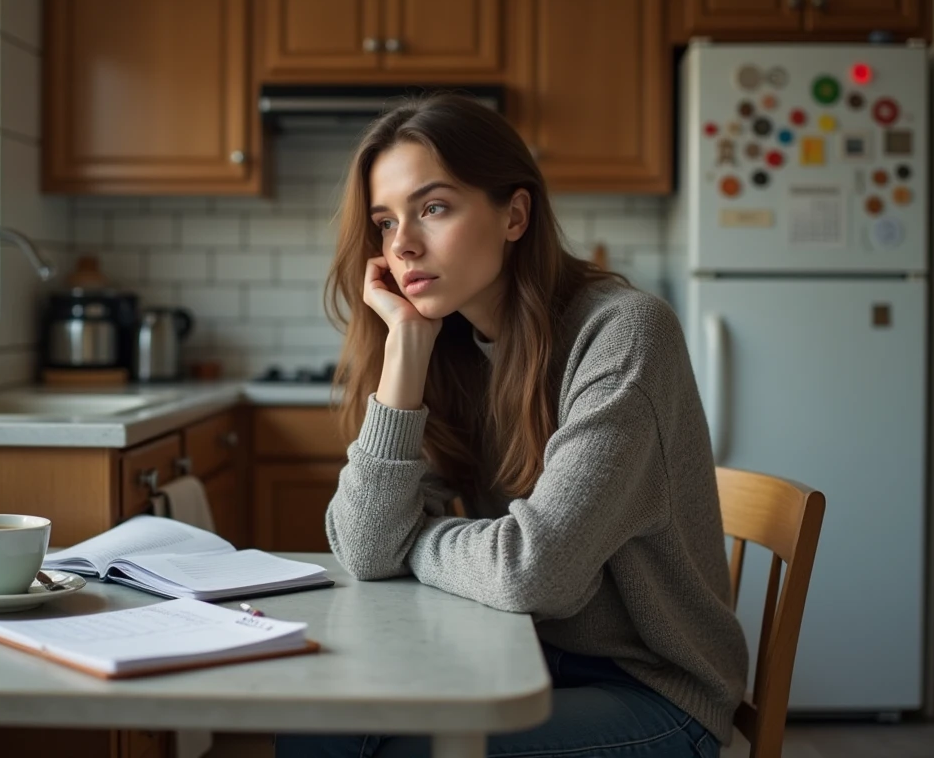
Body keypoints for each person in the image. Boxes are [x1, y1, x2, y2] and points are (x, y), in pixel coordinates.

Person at [274, 94, 749, 758]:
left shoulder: (625, 334)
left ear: (515, 215)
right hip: (521, 649)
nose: (402, 244)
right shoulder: (455, 344)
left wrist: (418, 540)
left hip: (653, 692)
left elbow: (532, 574)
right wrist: (406, 350)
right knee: (316, 729)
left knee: (390, 752)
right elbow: (363, 550)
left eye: (433, 208)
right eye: (385, 222)